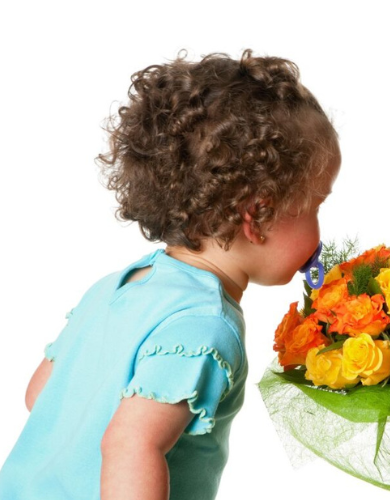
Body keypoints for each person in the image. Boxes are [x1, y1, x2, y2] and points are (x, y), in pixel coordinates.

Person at [0, 50, 340, 500]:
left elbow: (40, 397)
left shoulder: (119, 286)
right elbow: (130, 444)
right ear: (257, 215)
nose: (319, 228)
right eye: (314, 205)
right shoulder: (204, 325)